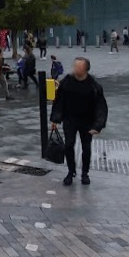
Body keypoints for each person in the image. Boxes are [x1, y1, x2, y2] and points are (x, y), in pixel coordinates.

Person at [49, 57, 108, 186]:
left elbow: (101, 106)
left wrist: (97, 125)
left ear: (86, 69)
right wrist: (55, 119)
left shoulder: (94, 85)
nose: (76, 69)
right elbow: (59, 101)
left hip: (87, 120)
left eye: (79, 67)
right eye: (75, 66)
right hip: (70, 119)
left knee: (86, 147)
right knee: (69, 145)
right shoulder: (67, 82)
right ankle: (71, 171)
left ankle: (85, 173)